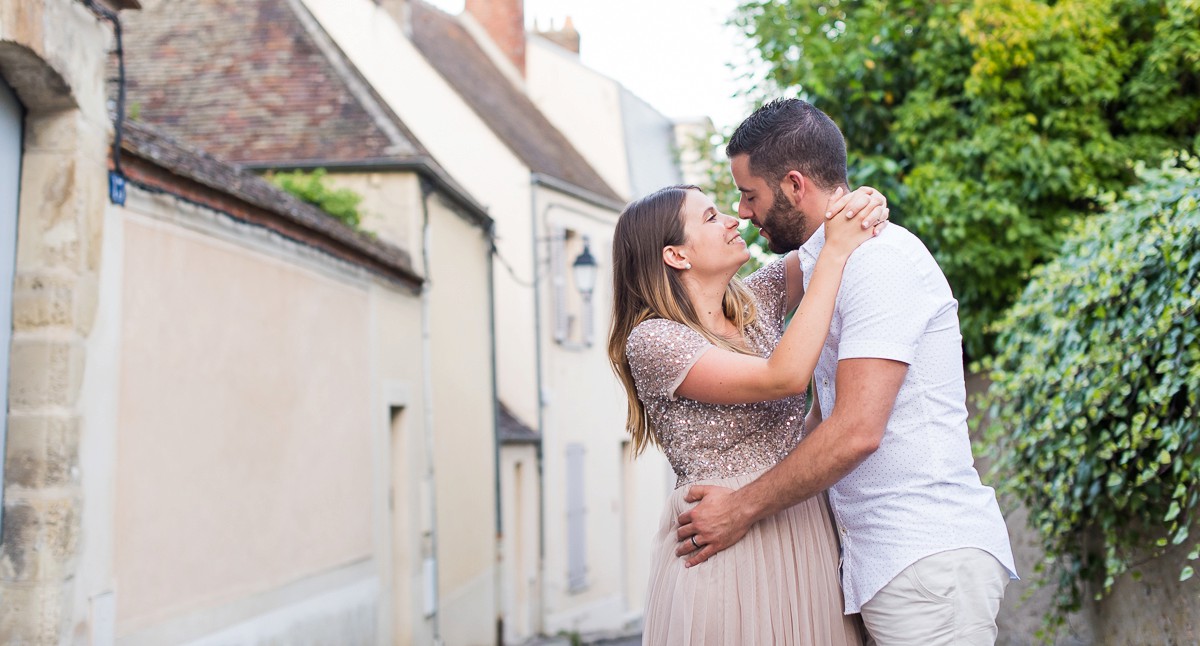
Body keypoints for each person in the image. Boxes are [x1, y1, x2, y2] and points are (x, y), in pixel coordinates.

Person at [675, 98, 1018, 646]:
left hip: (925, 559)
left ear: (793, 185)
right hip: (882, 562)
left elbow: (856, 429)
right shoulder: (828, 261)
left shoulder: (881, 261)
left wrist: (742, 508)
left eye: (749, 194)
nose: (743, 212)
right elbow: (823, 415)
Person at [608, 177, 888, 644]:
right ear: (676, 255)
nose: (734, 219)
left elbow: (826, 236)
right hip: (722, 538)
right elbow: (785, 376)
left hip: (798, 520)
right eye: (711, 216)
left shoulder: (756, 301)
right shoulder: (654, 340)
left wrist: (864, 200)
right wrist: (836, 253)